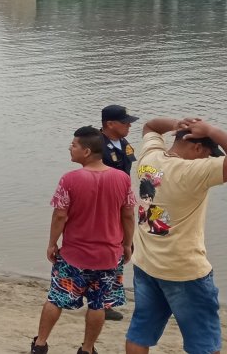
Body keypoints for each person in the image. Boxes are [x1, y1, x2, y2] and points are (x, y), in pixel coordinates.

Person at [125, 118, 227, 354]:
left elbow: (151, 126)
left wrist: (179, 123)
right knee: (204, 343)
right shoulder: (193, 171)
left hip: (146, 265)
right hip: (184, 271)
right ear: (197, 147)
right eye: (207, 153)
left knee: (140, 333)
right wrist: (212, 130)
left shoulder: (150, 157)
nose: (207, 159)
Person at [30, 127, 135, 354]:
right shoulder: (123, 179)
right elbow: (128, 215)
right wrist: (127, 244)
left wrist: (52, 243)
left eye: (74, 145)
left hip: (74, 255)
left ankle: (40, 344)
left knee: (56, 298)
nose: (70, 148)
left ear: (86, 151)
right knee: (98, 304)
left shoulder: (70, 179)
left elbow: (60, 215)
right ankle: (87, 349)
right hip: (108, 256)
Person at [99, 103, 139, 323]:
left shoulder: (124, 143)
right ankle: (101, 302)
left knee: (122, 249)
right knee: (108, 250)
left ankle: (107, 301)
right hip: (103, 205)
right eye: (125, 123)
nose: (128, 126)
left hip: (122, 202)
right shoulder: (96, 144)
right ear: (110, 124)